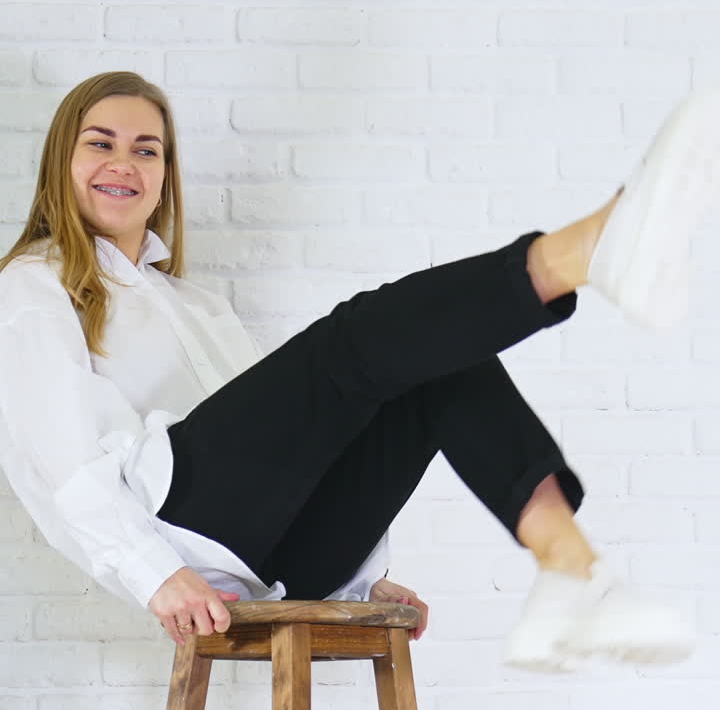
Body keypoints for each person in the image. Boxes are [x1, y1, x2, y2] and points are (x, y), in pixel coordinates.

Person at [0, 72, 711, 672]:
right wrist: (154, 576)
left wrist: (360, 577)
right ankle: (584, 252)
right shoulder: (34, 285)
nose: (123, 162)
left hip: (270, 563)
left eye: (145, 150)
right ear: (61, 161)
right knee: (357, 340)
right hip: (173, 530)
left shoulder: (199, 307)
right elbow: (57, 460)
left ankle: (571, 575)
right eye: (100, 144)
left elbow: (302, 445)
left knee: (435, 366)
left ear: (164, 178)